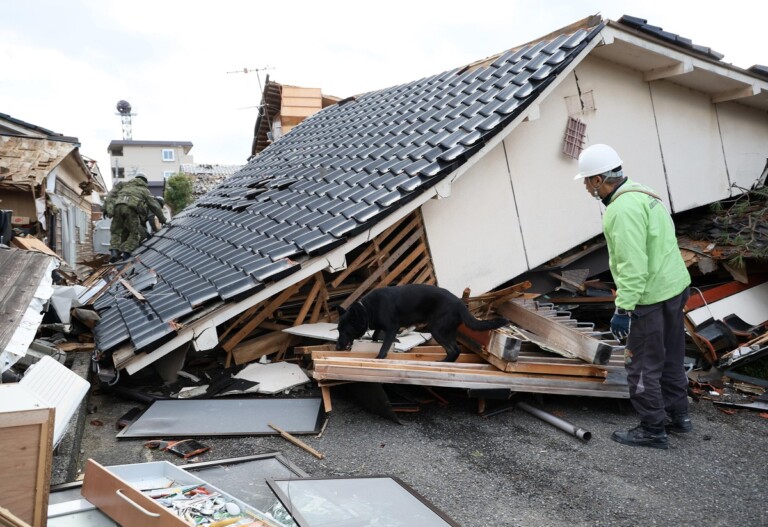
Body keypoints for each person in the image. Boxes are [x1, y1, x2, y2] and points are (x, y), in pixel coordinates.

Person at [574, 144, 692, 450]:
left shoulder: (621, 211)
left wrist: (623, 308)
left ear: (600, 179)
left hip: (650, 298)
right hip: (674, 288)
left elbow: (632, 266)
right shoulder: (645, 194)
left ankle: (652, 429)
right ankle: (679, 416)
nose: (586, 187)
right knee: (672, 357)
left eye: (587, 181)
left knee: (641, 365)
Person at [109, 174, 167, 262]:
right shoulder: (144, 191)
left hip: (117, 208)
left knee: (117, 232)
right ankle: (126, 254)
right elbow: (153, 213)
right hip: (130, 211)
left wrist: (108, 209)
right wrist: (163, 221)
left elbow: (112, 196)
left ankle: (115, 252)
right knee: (135, 235)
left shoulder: (126, 186)